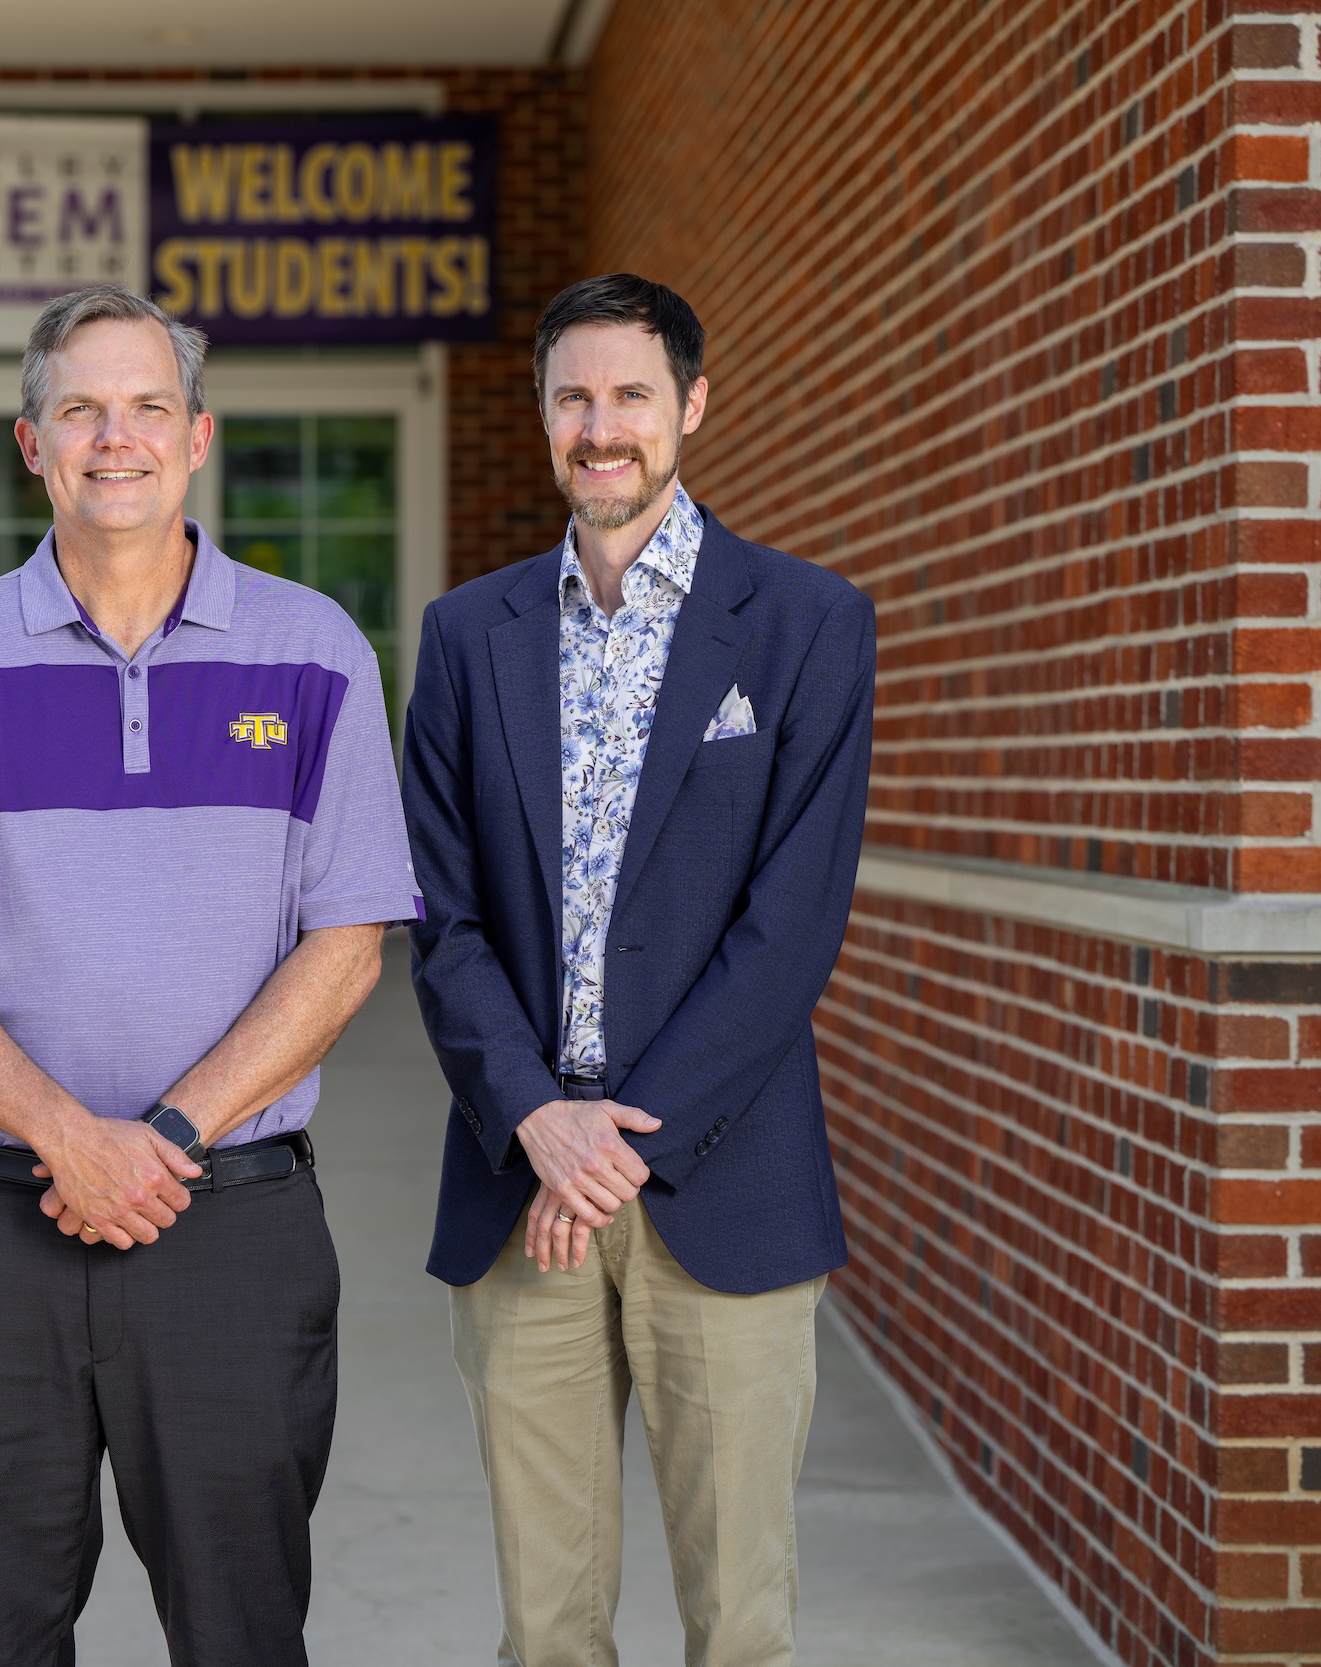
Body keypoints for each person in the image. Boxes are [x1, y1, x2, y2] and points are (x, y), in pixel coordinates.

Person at [0, 284, 419, 1666]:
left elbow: (347, 947)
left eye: (148, 406)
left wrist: (158, 1140)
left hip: (231, 1226)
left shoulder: (314, 648)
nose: (117, 436)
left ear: (197, 435)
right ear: (30, 443)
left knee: (241, 1630)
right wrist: (65, 1139)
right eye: (80, 408)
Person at [403, 275, 875, 1667]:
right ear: (543, 414)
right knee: (548, 1625)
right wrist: (541, 1118)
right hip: (519, 1182)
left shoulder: (803, 622)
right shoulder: (465, 636)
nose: (600, 427)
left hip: (723, 1181)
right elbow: (440, 911)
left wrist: (609, 1144)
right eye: (573, 396)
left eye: (631, 395)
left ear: (692, 408)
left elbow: (790, 929)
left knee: (741, 1621)